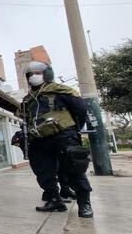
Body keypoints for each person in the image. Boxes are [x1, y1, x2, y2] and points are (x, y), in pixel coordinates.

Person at [18, 61, 93, 218]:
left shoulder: (62, 91)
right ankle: (54, 200)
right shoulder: (28, 100)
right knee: (43, 171)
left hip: (63, 135)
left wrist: (71, 129)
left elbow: (80, 111)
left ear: (47, 74)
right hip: (38, 139)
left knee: (73, 169)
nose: (33, 77)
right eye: (30, 74)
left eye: (37, 73)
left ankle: (84, 203)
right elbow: (24, 119)